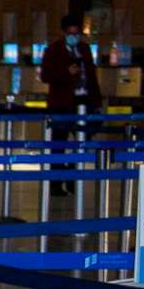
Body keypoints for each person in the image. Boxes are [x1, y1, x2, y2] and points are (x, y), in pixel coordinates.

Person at [38, 13, 102, 196]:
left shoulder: (85, 49)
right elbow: (46, 76)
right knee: (58, 143)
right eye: (70, 33)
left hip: (83, 101)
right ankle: (56, 183)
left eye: (76, 33)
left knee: (82, 141)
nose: (74, 36)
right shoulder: (53, 50)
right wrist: (66, 72)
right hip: (61, 103)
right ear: (63, 33)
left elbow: (92, 77)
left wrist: (96, 102)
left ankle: (73, 178)